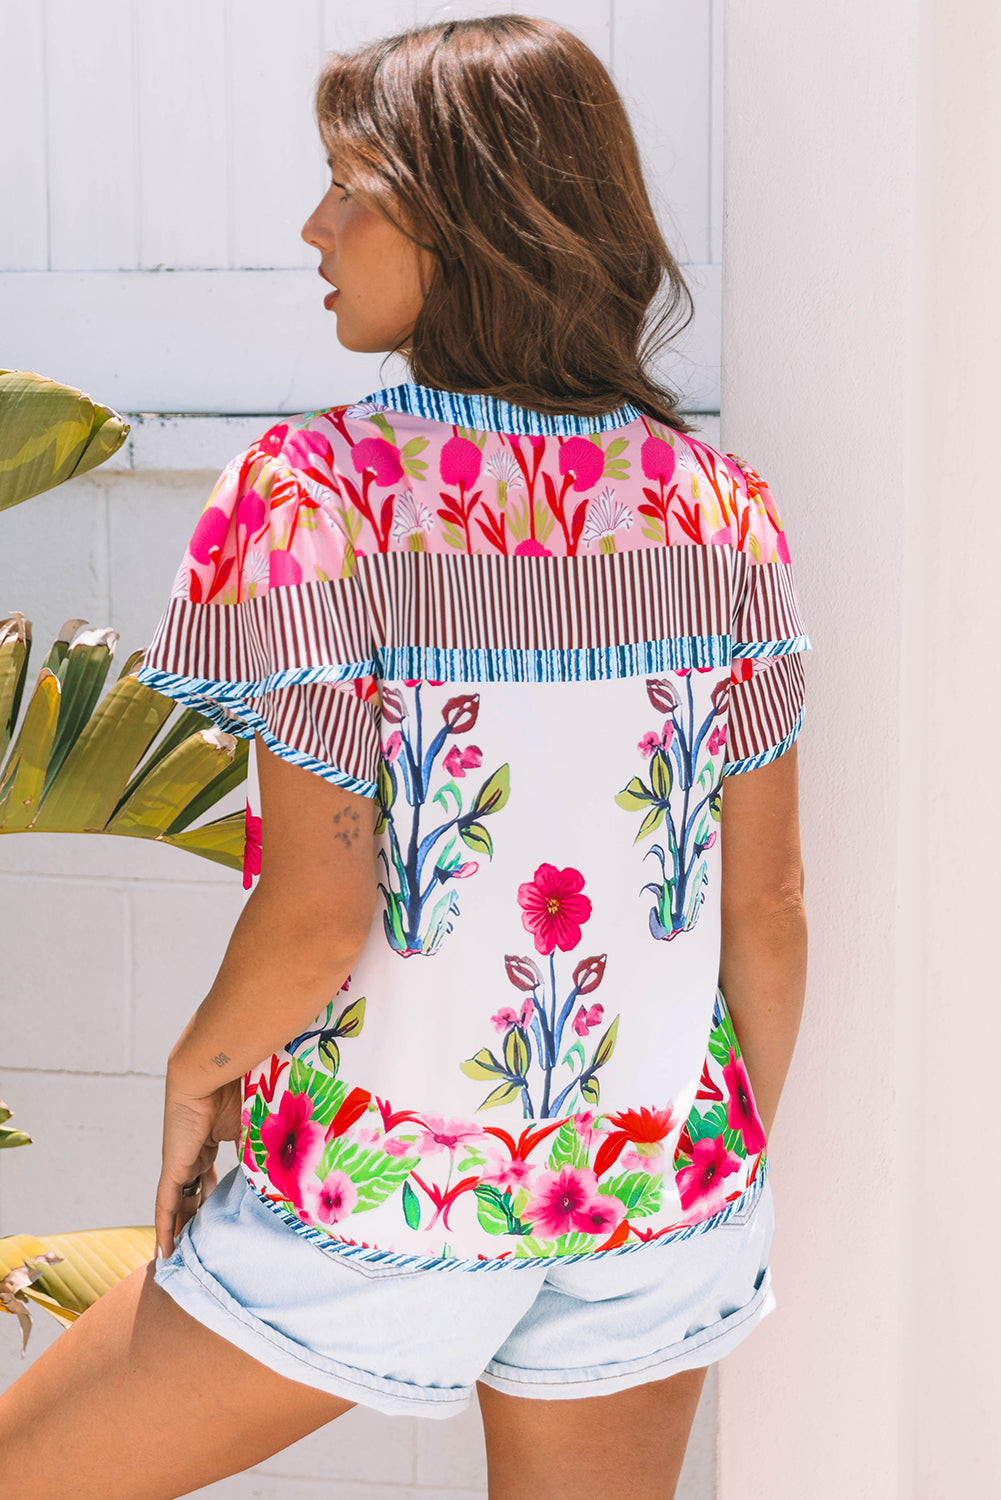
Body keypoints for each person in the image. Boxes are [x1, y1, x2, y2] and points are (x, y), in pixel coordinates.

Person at [0, 15, 810, 1499]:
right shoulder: (720, 507)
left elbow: (322, 908)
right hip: (656, 1189)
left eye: (350, 188)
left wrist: (195, 1074)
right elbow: (765, 908)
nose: (313, 228)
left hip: (382, 1197)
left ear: (475, 216)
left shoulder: (316, 491)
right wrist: (695, 1164)